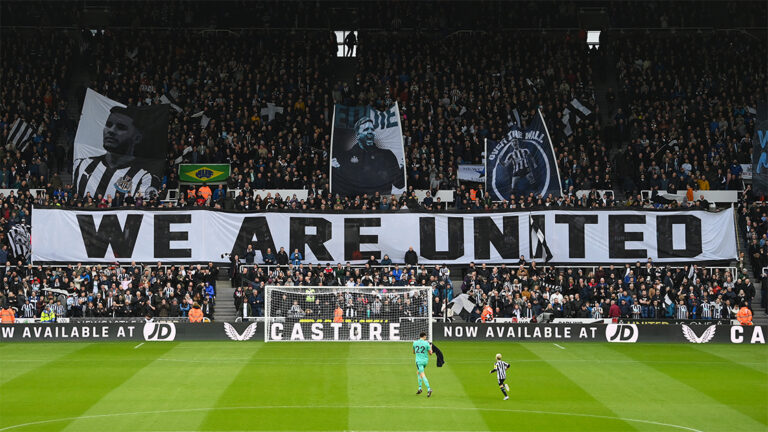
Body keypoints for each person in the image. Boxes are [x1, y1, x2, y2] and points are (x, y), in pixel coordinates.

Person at [73, 106, 161, 198]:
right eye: (109, 125)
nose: (111, 130)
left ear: (137, 137)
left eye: (121, 127)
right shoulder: (82, 165)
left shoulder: (145, 178)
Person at [332, 117, 405, 196]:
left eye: (372, 129)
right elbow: (344, 187)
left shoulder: (387, 155)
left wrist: (403, 169)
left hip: (381, 202)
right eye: (366, 129)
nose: (370, 132)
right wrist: (337, 169)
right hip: (359, 204)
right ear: (357, 135)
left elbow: (399, 184)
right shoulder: (345, 157)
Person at [413, 331, 433, 397]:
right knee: (418, 372)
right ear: (424, 336)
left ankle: (429, 389)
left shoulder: (415, 343)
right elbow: (430, 353)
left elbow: (413, 352)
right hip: (425, 361)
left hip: (419, 361)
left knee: (422, 374)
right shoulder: (427, 343)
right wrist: (431, 347)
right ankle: (420, 388)